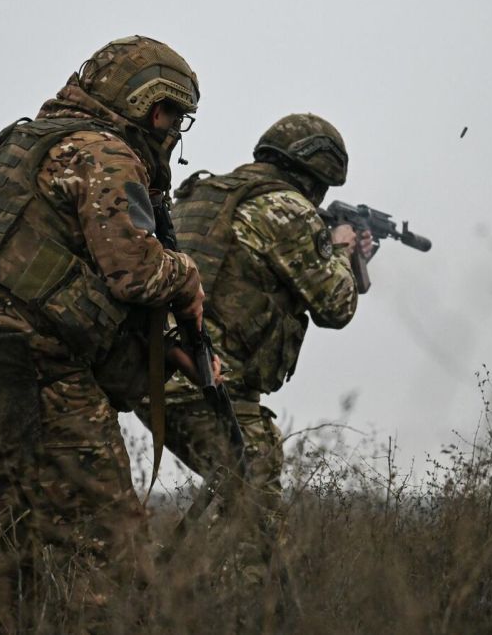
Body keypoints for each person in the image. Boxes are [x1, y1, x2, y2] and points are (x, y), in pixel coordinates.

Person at [0, 35, 204, 631]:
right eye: (169, 113)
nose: (170, 129)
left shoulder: (27, 144)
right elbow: (137, 273)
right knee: (116, 561)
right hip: (39, 369)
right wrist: (186, 275)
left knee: (3, 560)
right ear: (144, 104)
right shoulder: (101, 152)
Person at [133, 113, 371, 588]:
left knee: (242, 489)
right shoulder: (287, 210)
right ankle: (242, 609)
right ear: (318, 174)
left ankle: (165, 593)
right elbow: (336, 305)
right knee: (255, 508)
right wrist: (344, 251)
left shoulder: (211, 193)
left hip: (153, 374)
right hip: (208, 382)